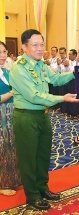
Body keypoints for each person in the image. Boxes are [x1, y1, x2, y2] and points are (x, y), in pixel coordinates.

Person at [9, 29, 79, 211]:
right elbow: (34, 96)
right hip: (26, 117)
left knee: (42, 156)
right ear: (25, 47)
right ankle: (32, 195)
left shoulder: (40, 64)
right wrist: (61, 98)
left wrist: (76, 73)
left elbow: (55, 79)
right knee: (29, 159)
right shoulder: (19, 68)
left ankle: (42, 187)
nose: (40, 48)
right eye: (35, 45)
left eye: (42, 44)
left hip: (43, 116)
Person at [0, 41, 21, 196]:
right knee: (2, 150)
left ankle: (13, 179)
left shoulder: (6, 72)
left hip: (11, 115)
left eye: (4, 52)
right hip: (1, 117)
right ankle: (3, 184)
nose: (3, 55)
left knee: (11, 148)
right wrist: (13, 92)